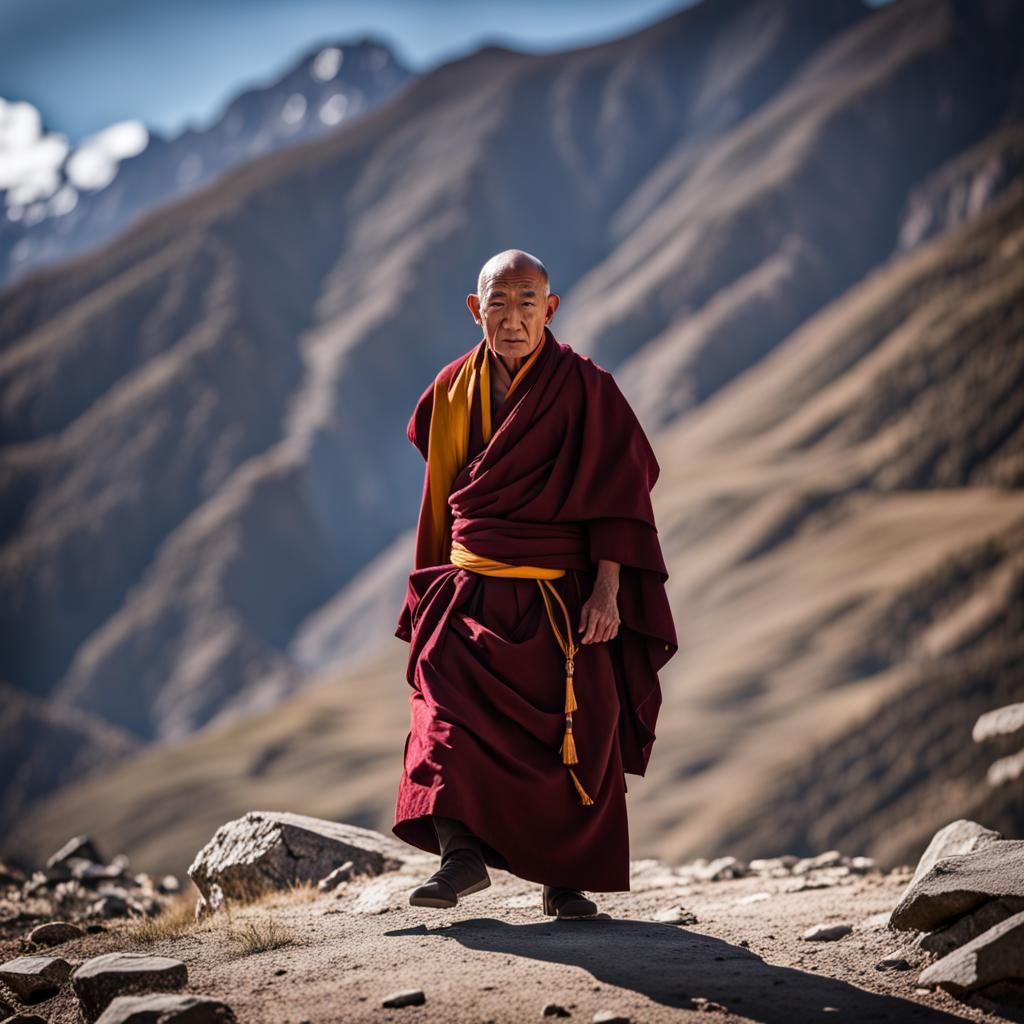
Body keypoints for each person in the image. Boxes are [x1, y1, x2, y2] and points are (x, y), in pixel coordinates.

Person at [392, 248, 677, 919]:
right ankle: (460, 857)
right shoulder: (451, 392)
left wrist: (608, 592)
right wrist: (433, 580)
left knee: (576, 734)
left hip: (562, 598)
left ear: (551, 309)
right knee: (444, 722)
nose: (513, 318)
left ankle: (566, 878)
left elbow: (622, 493)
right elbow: (444, 495)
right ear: (475, 309)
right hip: (468, 594)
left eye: (528, 303)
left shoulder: (585, 388)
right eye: (499, 301)